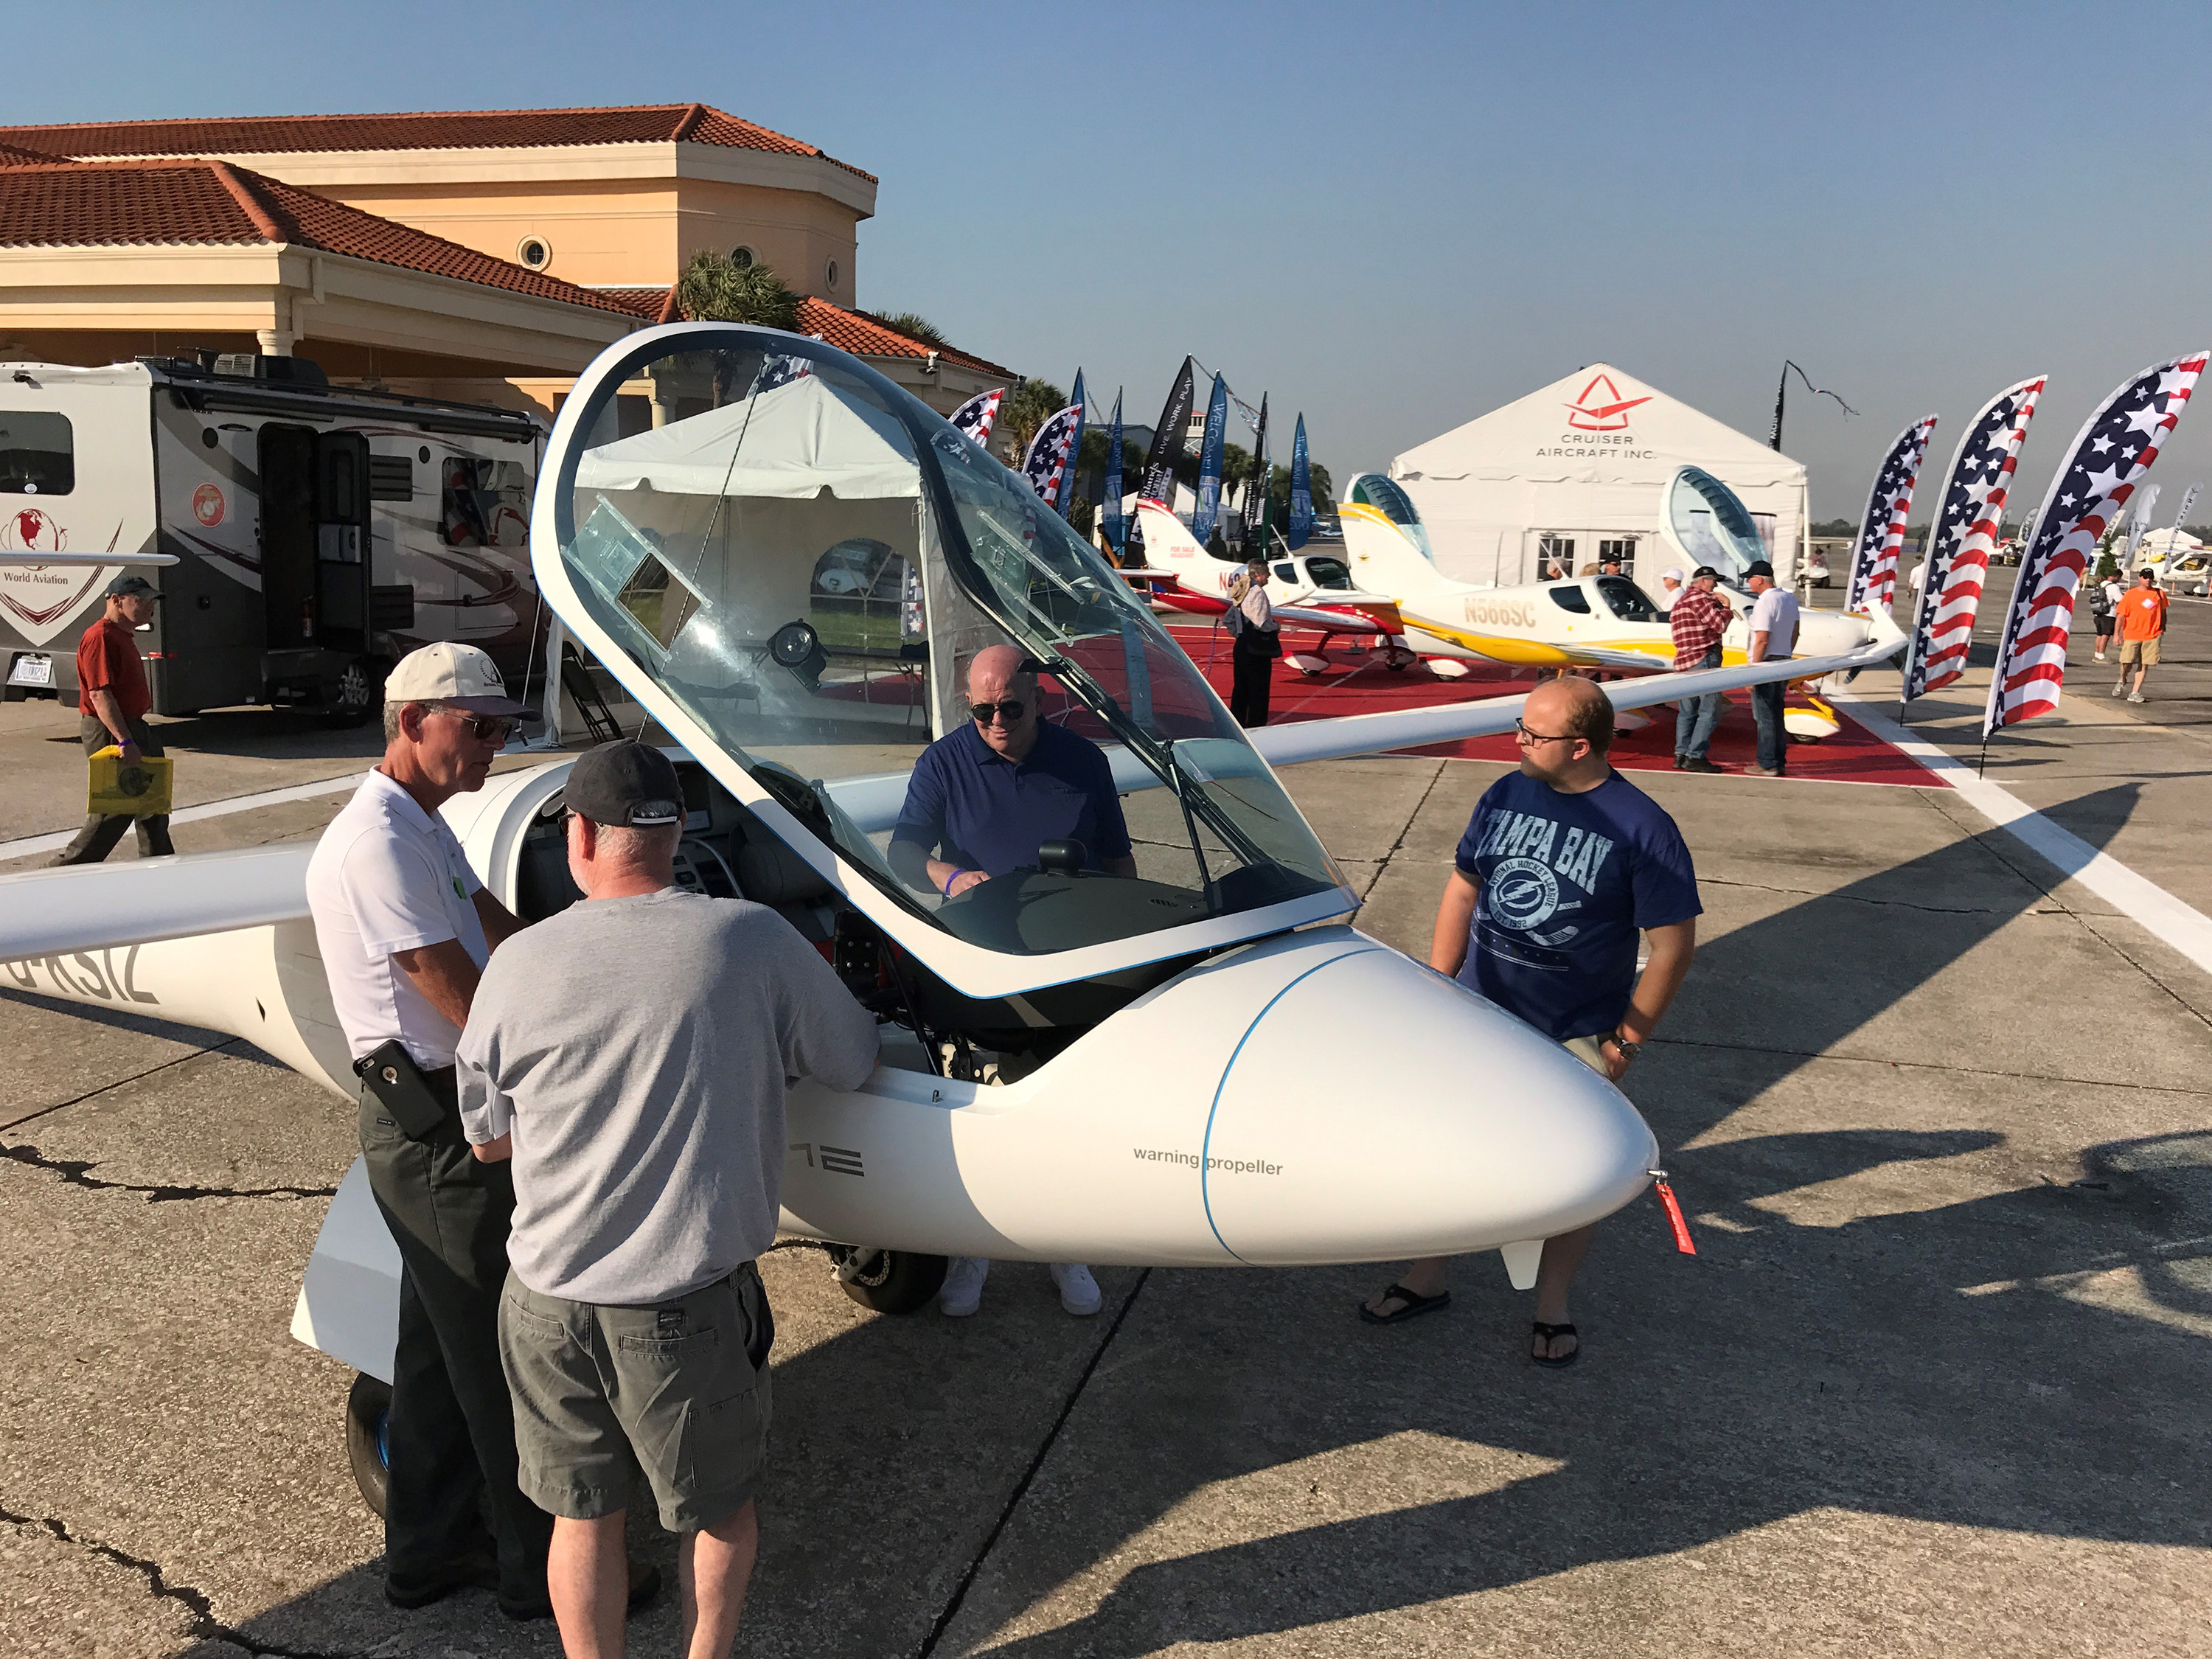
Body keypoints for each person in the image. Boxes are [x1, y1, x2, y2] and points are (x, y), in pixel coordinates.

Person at [461, 740, 879, 1659]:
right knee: (720, 1512)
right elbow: (852, 1057)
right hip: (680, 1307)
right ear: (678, 829)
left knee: (585, 1517)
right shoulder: (752, 937)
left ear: (578, 835)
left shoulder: (517, 963)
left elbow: (488, 1138)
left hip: (543, 1302)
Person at [305, 641, 604, 1621]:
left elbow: (498, 932)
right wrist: (569, 1069)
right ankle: (531, 1566)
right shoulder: (380, 842)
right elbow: (458, 990)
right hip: (438, 1125)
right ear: (412, 722)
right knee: (498, 1349)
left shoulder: (422, 824)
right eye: (477, 728)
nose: (492, 746)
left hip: (437, 1114)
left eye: (502, 729)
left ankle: (427, 1554)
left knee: (436, 1346)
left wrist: (592, 978)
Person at [1359, 675, 1700, 1365]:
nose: (1518, 741)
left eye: (1532, 734)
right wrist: (1439, 983)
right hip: (1480, 1016)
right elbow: (1463, 886)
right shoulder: (1505, 792)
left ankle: (1551, 1305)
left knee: (1572, 1174)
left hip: (1573, 1028)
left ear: (1579, 747)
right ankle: (1427, 1277)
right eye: (1520, 727)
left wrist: (1626, 1042)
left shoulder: (1642, 828)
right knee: (1449, 1150)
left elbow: (1673, 945)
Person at [888, 644, 1137, 1320]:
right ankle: (975, 1248)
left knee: (1064, 1113)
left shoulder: (1084, 762)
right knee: (982, 1107)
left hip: (1071, 958)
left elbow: (1121, 863)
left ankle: (1064, 1245)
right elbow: (904, 851)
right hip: (983, 957)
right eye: (982, 710)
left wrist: (1128, 947)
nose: (996, 720)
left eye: (1010, 707)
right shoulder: (944, 761)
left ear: (1039, 698)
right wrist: (949, 877)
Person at [52, 574, 175, 866]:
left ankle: (160, 869)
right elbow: (99, 696)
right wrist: (125, 740)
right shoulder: (100, 637)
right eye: (141, 601)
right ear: (116, 601)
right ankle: (61, 872)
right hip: (112, 729)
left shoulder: (121, 635)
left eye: (151, 601)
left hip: (133, 725)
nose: (149, 608)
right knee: (113, 810)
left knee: (153, 804)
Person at [1669, 566, 1731, 774]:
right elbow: (1719, 625)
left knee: (1687, 711)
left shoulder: (1680, 602)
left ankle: (1681, 753)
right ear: (1703, 581)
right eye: (1713, 581)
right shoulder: (1701, 599)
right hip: (1704, 657)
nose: (1715, 585)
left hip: (1684, 661)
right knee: (1710, 710)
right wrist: (1726, 607)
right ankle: (1696, 755)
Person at [1742, 560, 1798, 777]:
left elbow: (1762, 639)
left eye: (1750, 578)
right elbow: (1795, 632)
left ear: (1759, 580)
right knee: (1776, 713)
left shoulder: (1765, 602)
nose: (1748, 582)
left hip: (1766, 662)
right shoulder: (1789, 598)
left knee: (1764, 716)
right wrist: (1787, 654)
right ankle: (1778, 761)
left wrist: (1754, 671)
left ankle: (1767, 763)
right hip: (1783, 660)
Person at [1225, 558, 1281, 728]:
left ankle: (1238, 721)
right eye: (1266, 572)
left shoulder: (1241, 591)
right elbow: (1261, 622)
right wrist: (1276, 627)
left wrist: (1240, 635)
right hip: (1257, 647)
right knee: (1259, 689)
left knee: (1240, 686)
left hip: (1242, 644)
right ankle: (1257, 723)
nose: (1269, 576)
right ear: (1258, 574)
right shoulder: (1257, 593)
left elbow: (1228, 620)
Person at [2112, 566, 2168, 703]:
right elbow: (2121, 616)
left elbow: (2164, 612)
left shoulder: (2159, 594)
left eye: (2150, 578)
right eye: (2145, 577)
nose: (2148, 580)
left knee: (2144, 664)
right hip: (2132, 634)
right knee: (2126, 662)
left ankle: (2135, 692)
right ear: (2140, 578)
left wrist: (2161, 629)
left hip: (2152, 635)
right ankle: (2122, 679)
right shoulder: (2131, 594)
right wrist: (2116, 634)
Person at [2089, 569, 2118, 661]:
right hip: (2109, 614)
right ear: (2116, 576)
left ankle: (2097, 654)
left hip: (2099, 613)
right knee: (2106, 635)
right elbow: (2119, 599)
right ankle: (2101, 655)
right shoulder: (2113, 587)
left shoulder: (2101, 584)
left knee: (2100, 634)